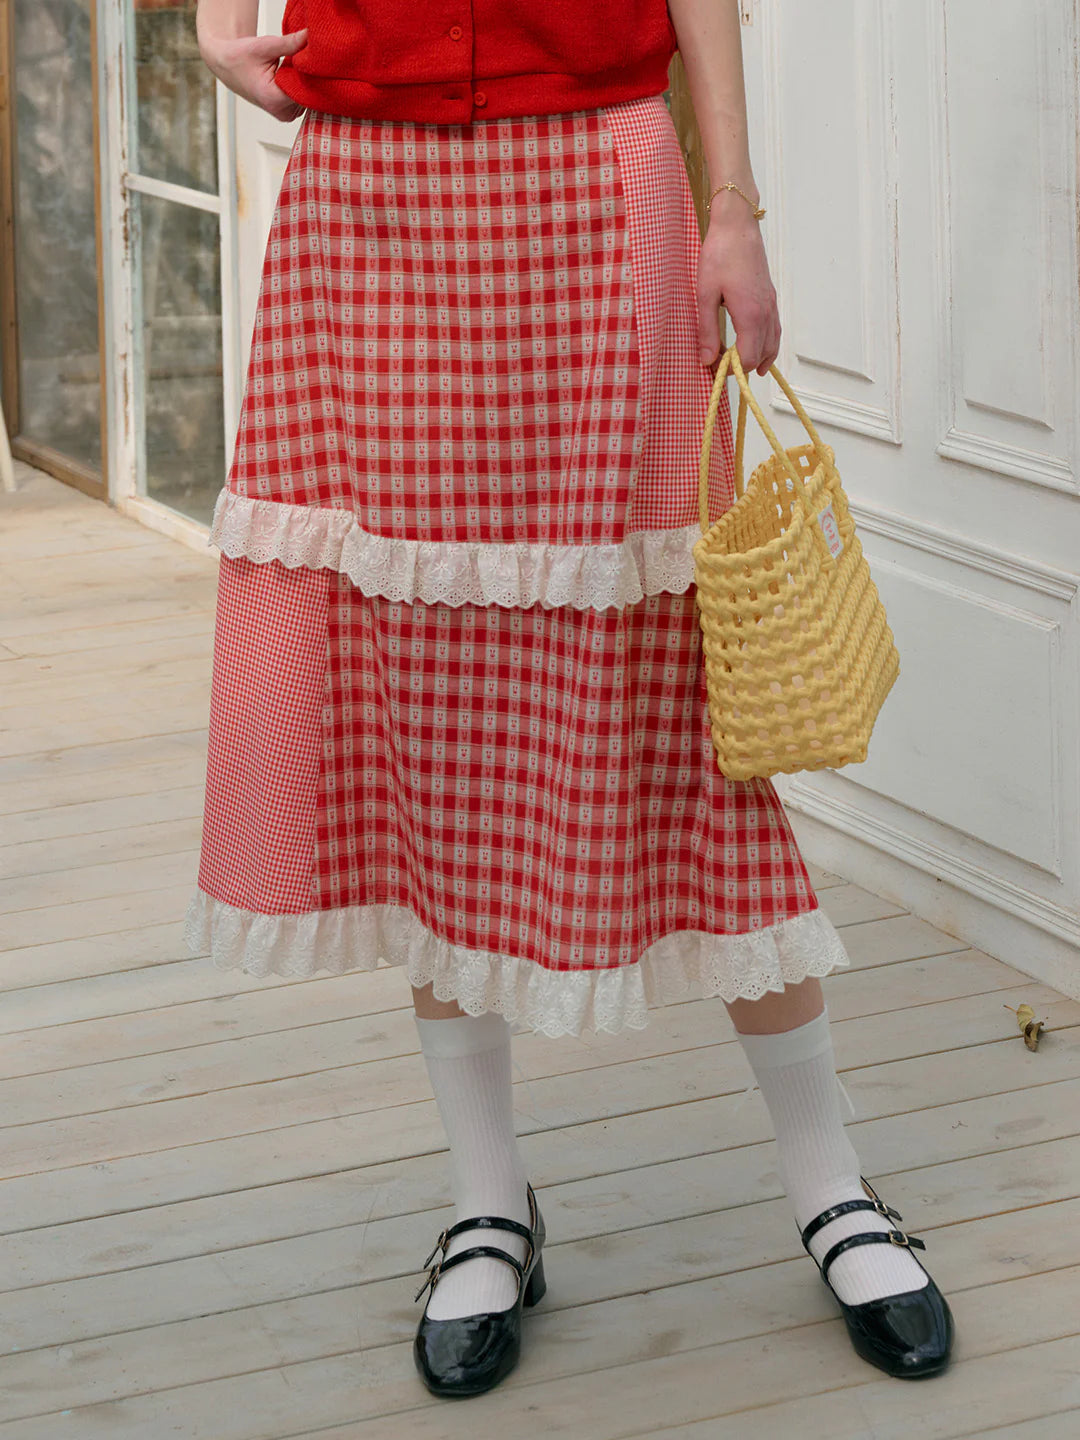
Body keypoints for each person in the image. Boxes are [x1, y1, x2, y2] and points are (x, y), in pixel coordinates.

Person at [193, 0, 953, 1400]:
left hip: (599, 179)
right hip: (370, 196)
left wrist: (733, 205)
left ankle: (831, 1186)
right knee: (420, 698)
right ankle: (490, 1205)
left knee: (688, 711)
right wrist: (214, 21)